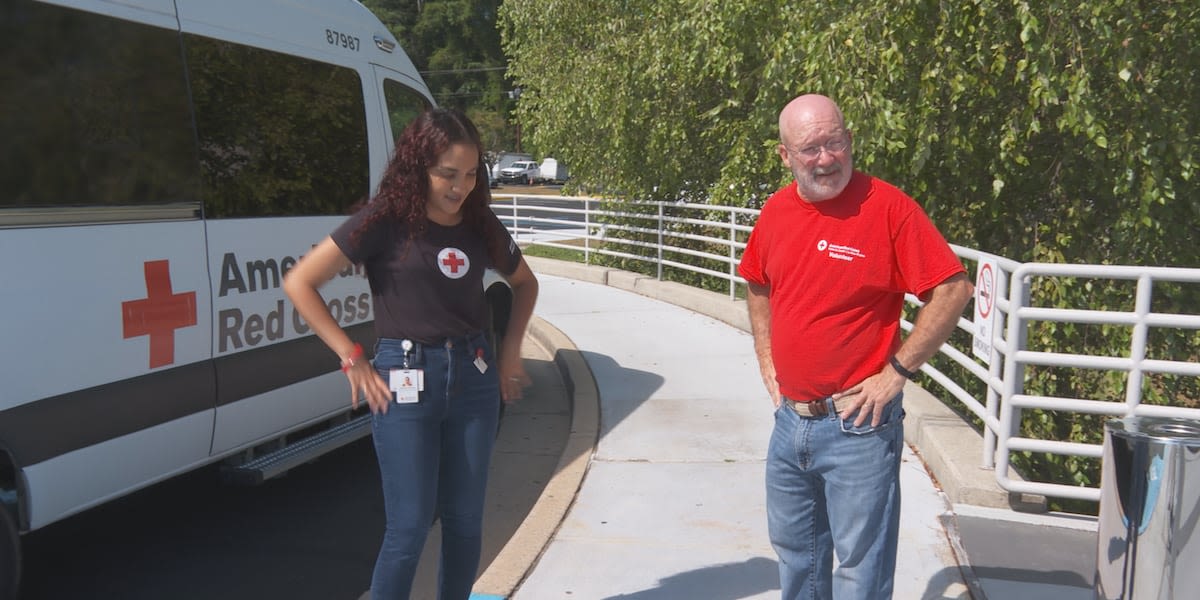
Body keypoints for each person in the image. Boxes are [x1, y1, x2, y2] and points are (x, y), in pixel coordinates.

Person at [283, 108, 539, 600]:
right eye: (447, 173)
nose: (459, 187)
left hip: (474, 375)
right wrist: (351, 356)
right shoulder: (384, 222)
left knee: (465, 520)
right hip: (403, 377)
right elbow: (300, 282)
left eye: (469, 174)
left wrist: (510, 351)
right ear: (418, 166)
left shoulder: (481, 224)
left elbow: (525, 284)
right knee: (410, 527)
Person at [738, 94, 973, 600]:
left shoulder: (888, 208)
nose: (826, 158)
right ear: (785, 156)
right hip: (790, 421)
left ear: (849, 139)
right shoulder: (777, 211)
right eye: (810, 149)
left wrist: (898, 372)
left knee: (860, 570)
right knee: (797, 558)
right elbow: (757, 282)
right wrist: (766, 359)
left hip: (859, 426)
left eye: (835, 142)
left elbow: (952, 289)